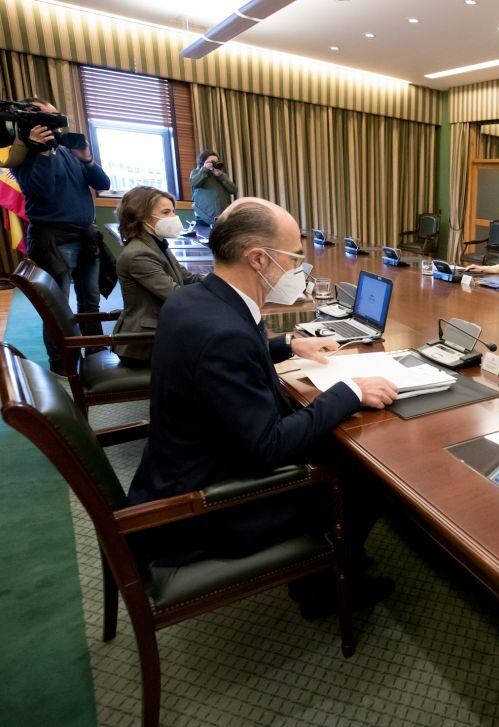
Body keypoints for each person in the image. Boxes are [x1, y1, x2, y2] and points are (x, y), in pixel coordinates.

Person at [127, 197, 399, 616]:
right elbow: (268, 446)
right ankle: (323, 588)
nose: (299, 271)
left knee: (333, 442)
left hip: (179, 468)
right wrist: (348, 392)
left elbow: (227, 354)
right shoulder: (224, 334)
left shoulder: (196, 299)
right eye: (294, 259)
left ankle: (332, 564)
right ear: (257, 259)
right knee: (365, 474)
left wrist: (286, 343)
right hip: (207, 508)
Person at [11, 97, 111, 374]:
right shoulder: (24, 153)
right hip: (53, 241)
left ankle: (95, 351)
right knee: (56, 309)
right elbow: (40, 191)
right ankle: (63, 365)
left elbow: (103, 184)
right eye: (49, 117)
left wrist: (88, 160)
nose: (56, 123)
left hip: (86, 237)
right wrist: (42, 152)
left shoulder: (68, 149)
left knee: (90, 301)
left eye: (57, 117)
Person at [112, 186, 203, 366]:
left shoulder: (157, 244)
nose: (174, 218)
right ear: (142, 217)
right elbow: (177, 295)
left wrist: (226, 278)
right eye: (166, 212)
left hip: (160, 330)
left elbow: (188, 279)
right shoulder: (138, 254)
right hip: (144, 344)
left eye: (173, 211)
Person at [190, 150, 237, 236]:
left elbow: (234, 190)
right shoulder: (196, 172)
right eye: (210, 162)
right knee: (203, 239)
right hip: (202, 216)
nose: (213, 164)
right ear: (203, 162)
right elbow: (194, 183)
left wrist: (221, 176)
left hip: (222, 217)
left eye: (215, 162)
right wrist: (204, 169)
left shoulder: (221, 175)